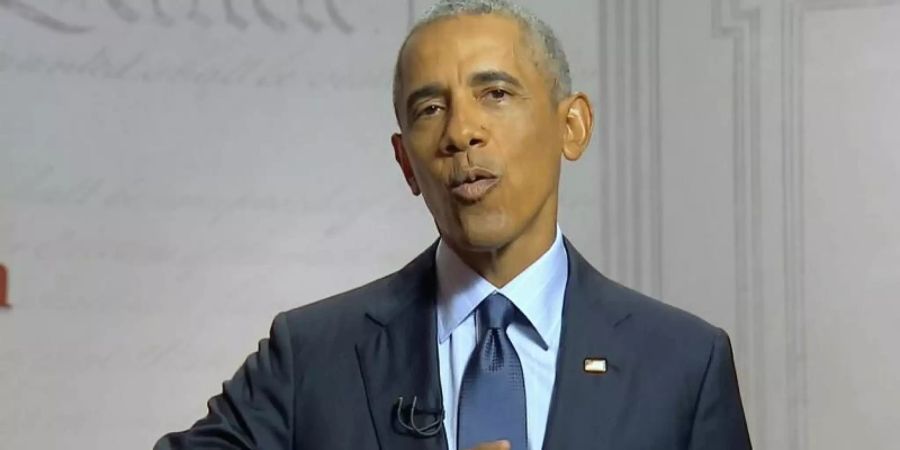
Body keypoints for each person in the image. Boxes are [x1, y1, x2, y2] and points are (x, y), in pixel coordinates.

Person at [154, 0, 752, 449]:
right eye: (429, 108)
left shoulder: (684, 364)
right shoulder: (311, 354)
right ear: (405, 162)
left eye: (495, 93)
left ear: (572, 127)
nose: (460, 132)